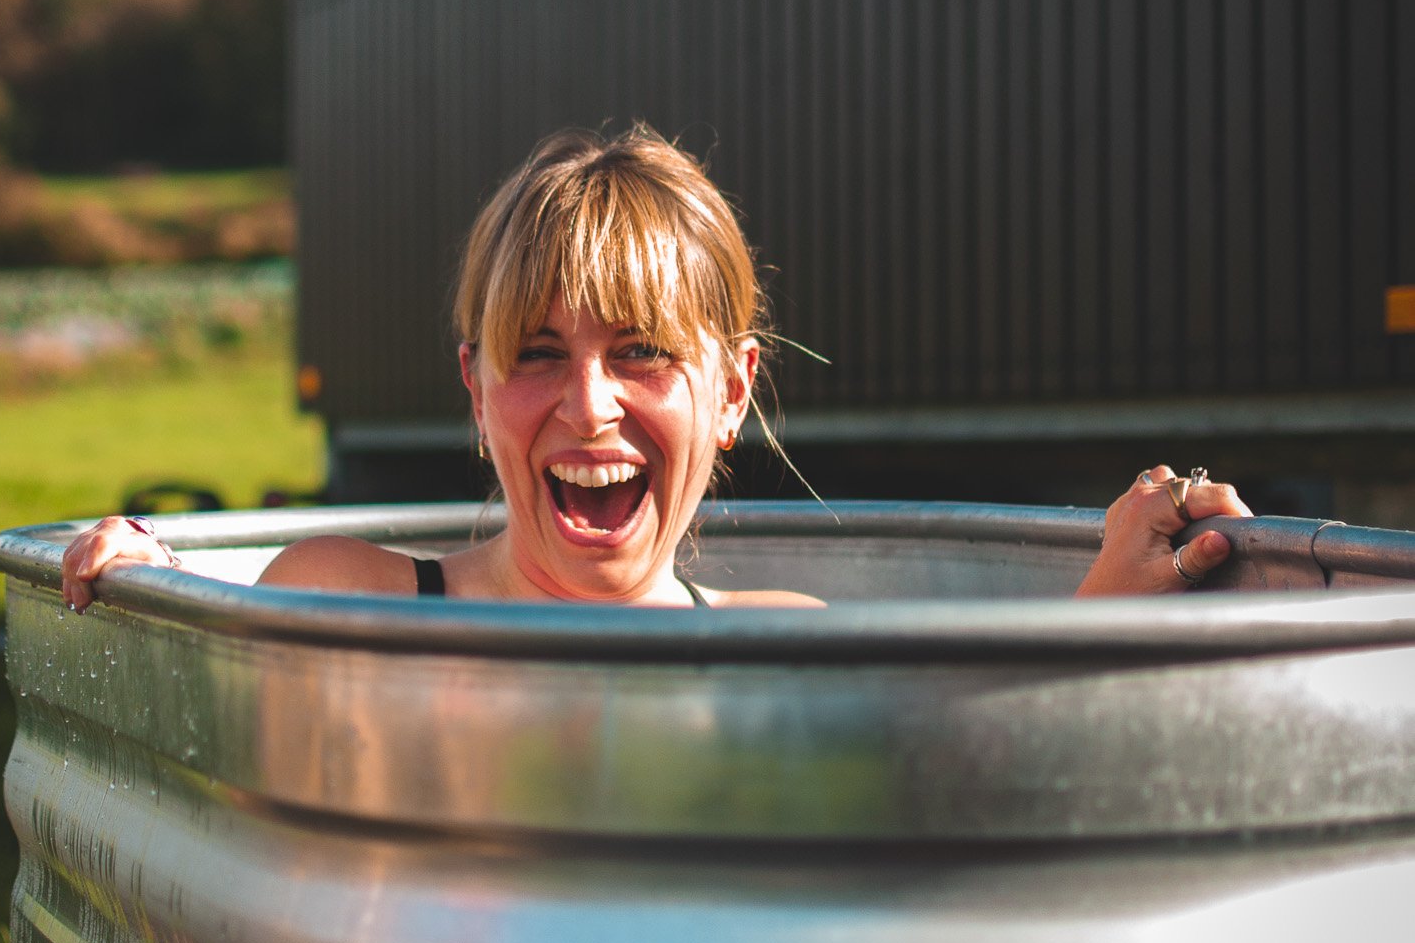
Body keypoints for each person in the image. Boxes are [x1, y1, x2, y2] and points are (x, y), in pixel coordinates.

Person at [60, 126, 1251, 612]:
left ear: (732, 391)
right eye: (538, 355)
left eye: (640, 353)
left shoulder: (783, 645)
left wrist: (1112, 599)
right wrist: (161, 597)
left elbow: (960, 798)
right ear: (475, 390)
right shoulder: (349, 598)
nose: (589, 405)